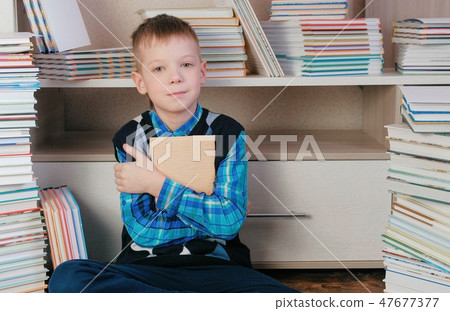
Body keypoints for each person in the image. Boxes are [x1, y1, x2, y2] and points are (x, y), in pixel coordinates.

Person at [48, 14, 298, 293]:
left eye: (186, 65)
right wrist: (207, 211)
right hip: (145, 271)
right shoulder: (131, 137)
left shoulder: (228, 132)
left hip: (220, 269)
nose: (175, 77)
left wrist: (155, 184)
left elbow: (227, 225)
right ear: (140, 81)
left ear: (202, 71)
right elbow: (143, 232)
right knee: (68, 275)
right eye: (158, 69)